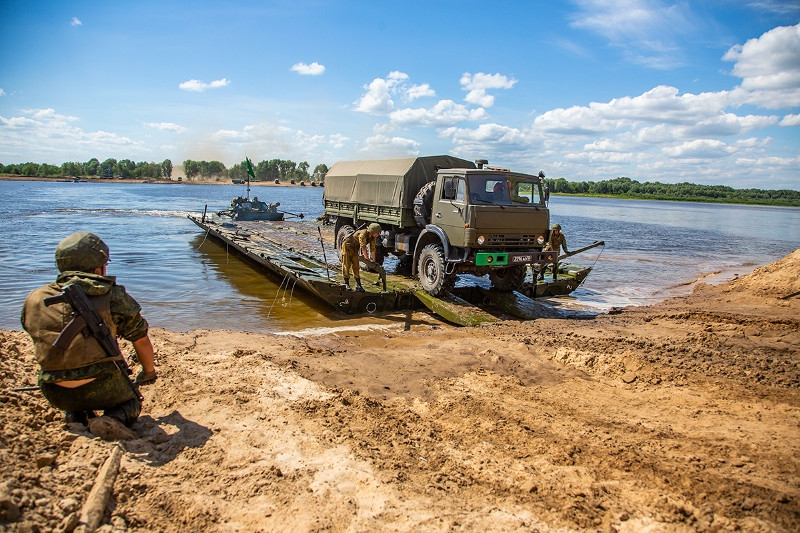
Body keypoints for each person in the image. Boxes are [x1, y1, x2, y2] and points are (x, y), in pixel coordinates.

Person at [21, 232, 157, 441]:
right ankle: (115, 418)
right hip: (102, 386)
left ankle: (74, 414)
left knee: (75, 399)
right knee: (131, 401)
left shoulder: (35, 299)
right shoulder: (112, 295)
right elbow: (140, 339)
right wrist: (148, 372)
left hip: (54, 390)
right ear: (98, 267)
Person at [340, 223, 381, 292]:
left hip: (355, 248)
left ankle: (358, 285)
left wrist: (373, 261)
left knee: (356, 266)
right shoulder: (363, 234)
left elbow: (373, 249)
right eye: (377, 233)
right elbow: (363, 248)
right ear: (372, 231)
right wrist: (367, 260)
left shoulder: (372, 237)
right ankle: (346, 283)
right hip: (347, 245)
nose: (378, 234)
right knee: (346, 265)